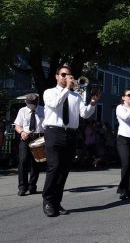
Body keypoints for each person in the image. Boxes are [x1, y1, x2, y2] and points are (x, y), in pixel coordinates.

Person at [41, 64, 99, 217]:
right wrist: (67, 89)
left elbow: (84, 115)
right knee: (54, 166)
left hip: (71, 134)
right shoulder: (49, 92)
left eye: (68, 75)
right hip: (54, 132)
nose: (66, 77)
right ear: (56, 76)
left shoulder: (76, 96)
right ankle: (47, 200)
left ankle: (56, 202)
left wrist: (93, 103)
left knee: (64, 170)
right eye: (63, 74)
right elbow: (55, 104)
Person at [14, 93, 45, 196]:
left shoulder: (43, 109)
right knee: (23, 161)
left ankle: (32, 186)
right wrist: (22, 132)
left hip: (38, 138)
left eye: (34, 104)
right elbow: (17, 125)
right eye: (31, 104)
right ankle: (22, 187)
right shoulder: (22, 111)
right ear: (26, 102)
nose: (33, 106)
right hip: (26, 138)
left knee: (36, 163)